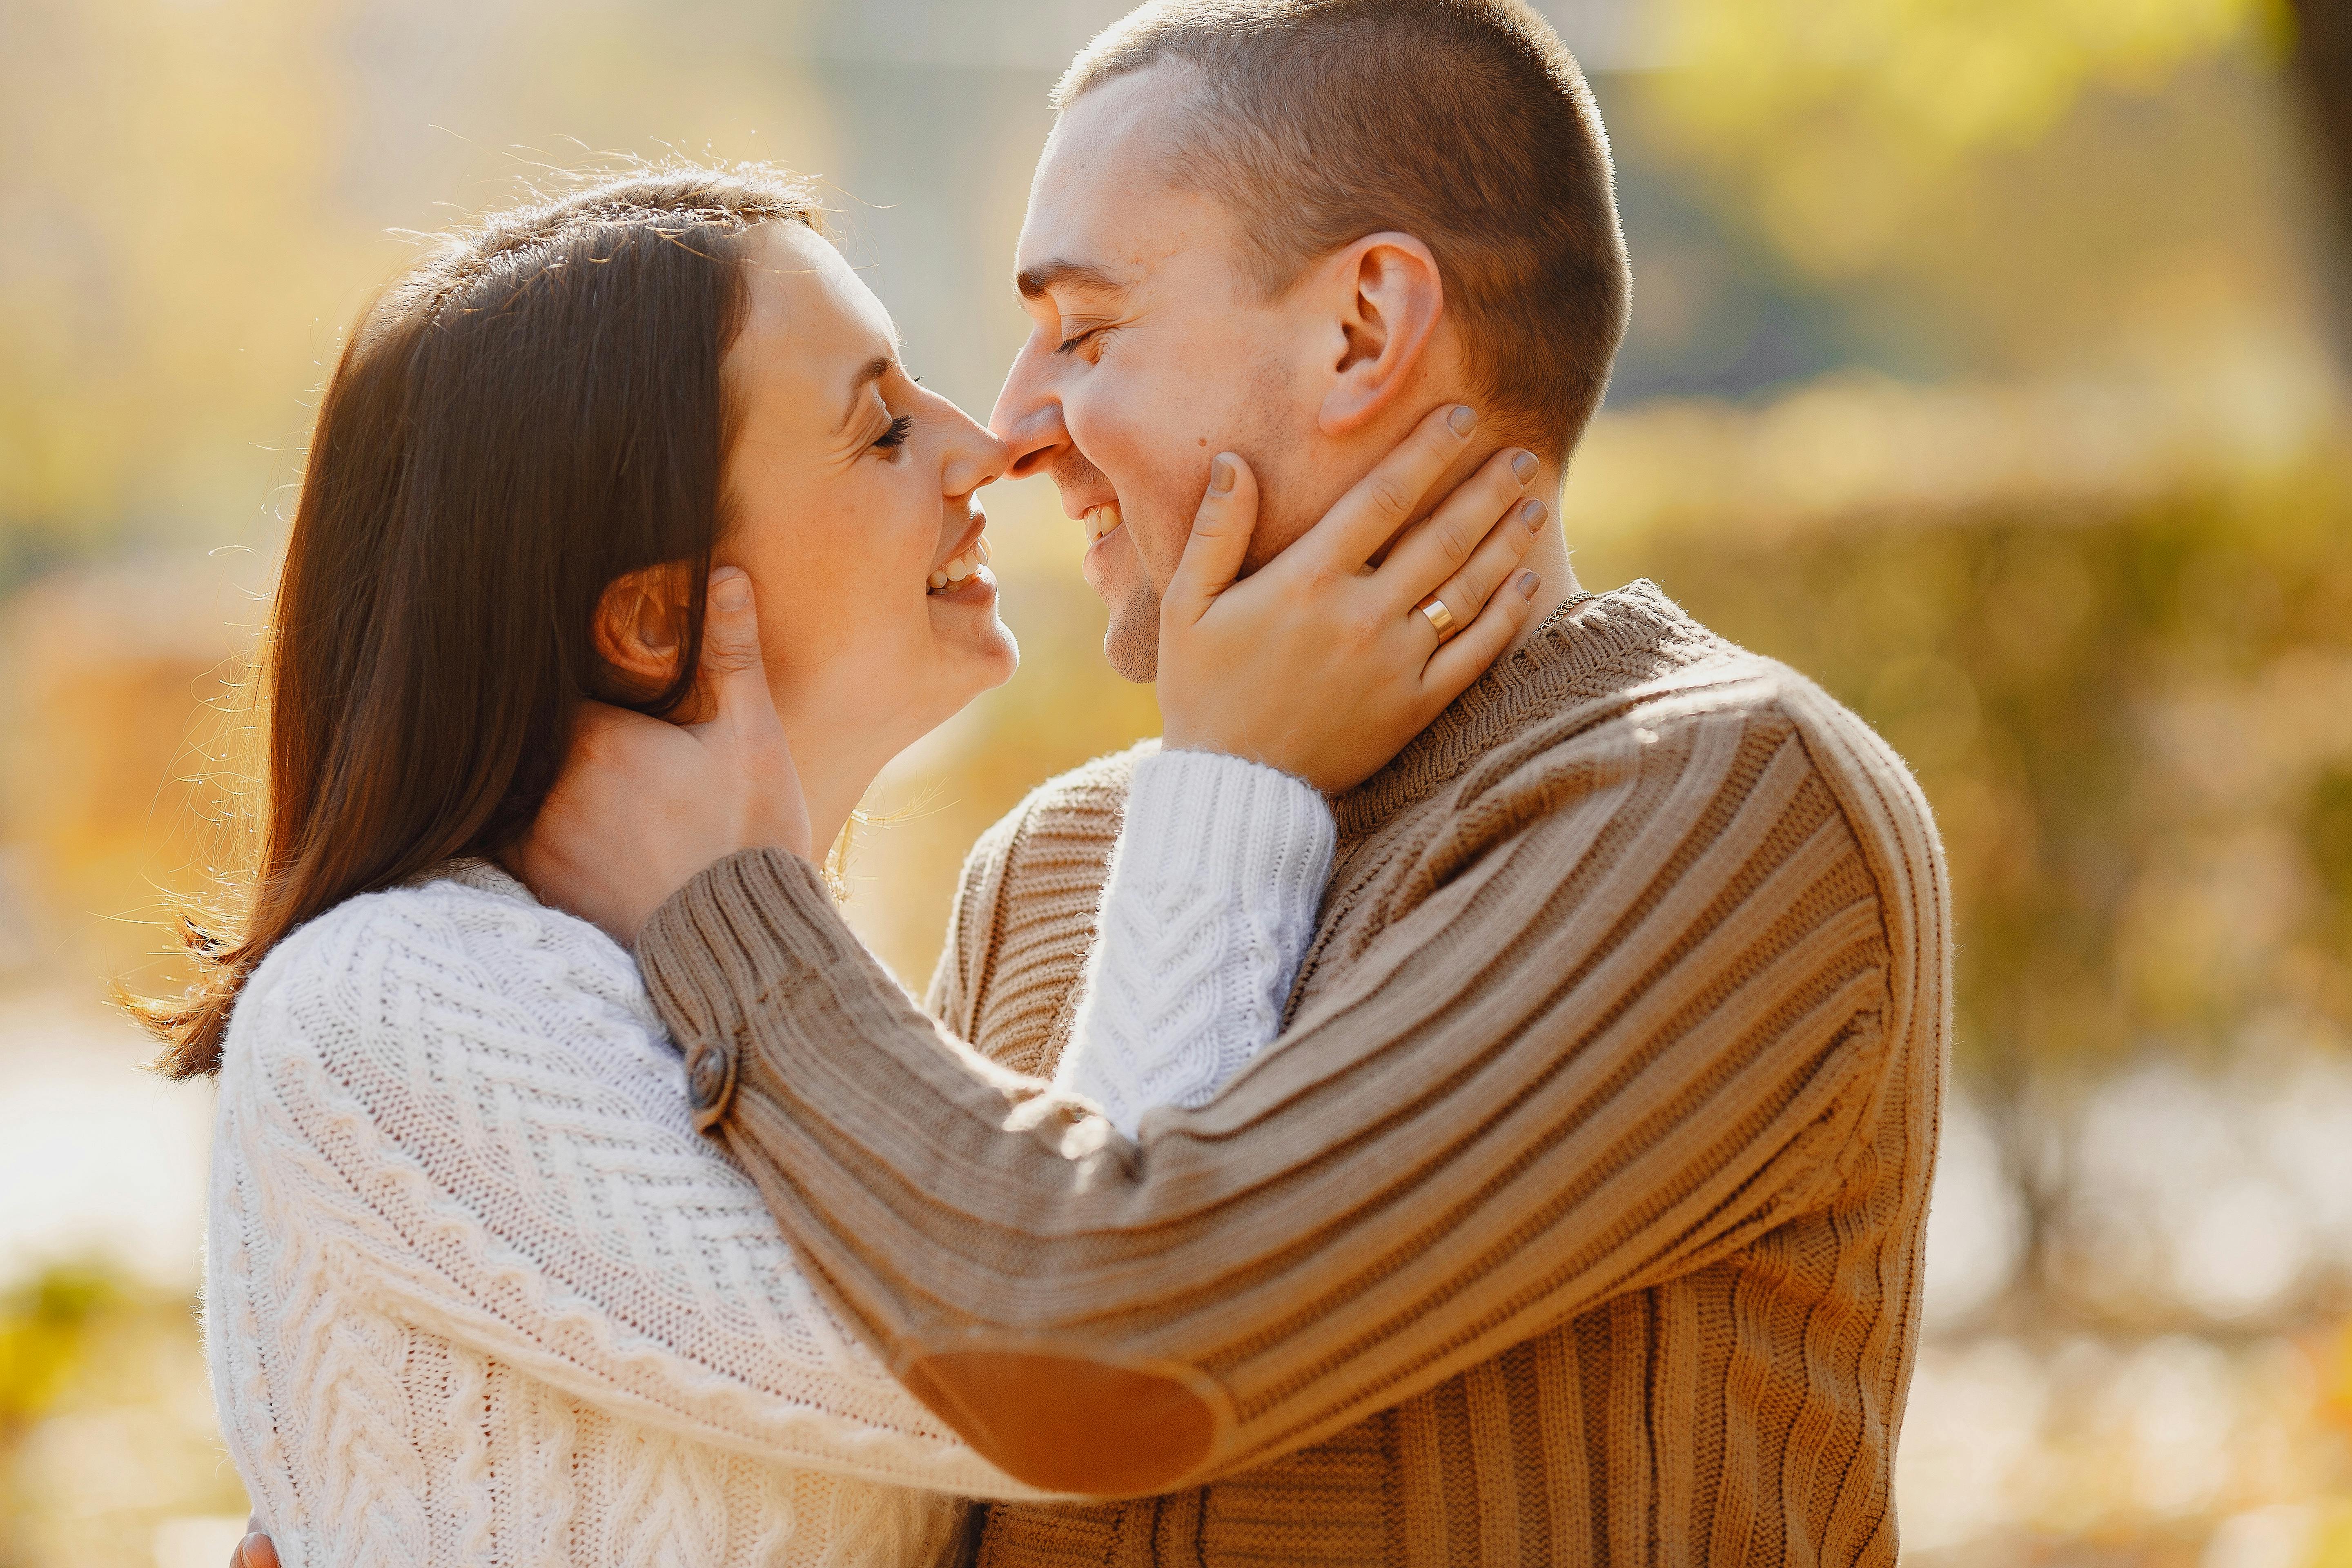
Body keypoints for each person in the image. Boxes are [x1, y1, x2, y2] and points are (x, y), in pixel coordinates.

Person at [509, 3, 1953, 1566]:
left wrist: (732, 918)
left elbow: (1098, 1356)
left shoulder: (1723, 807)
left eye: (1088, 328)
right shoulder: (1051, 868)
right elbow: (916, 1482)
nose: (1013, 428)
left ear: (1361, 330)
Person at [159, 165, 1552, 1568]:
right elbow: (1093, 1357)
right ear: (657, 615)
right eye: (882, 428)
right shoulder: (393, 1004)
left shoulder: (716, 1005)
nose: (985, 448)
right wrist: (1237, 775)